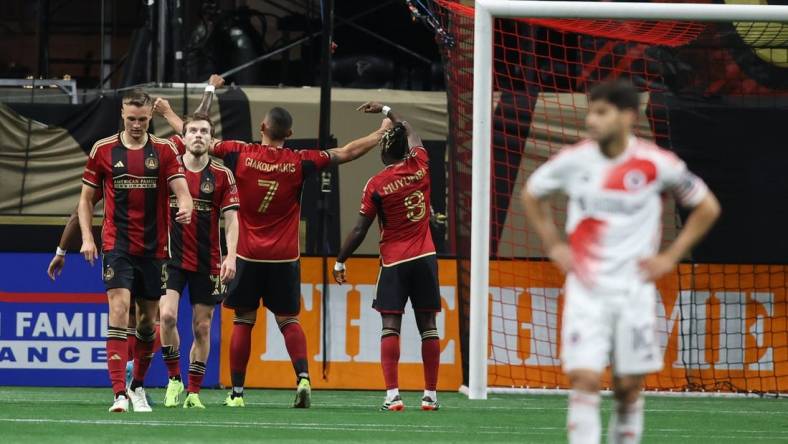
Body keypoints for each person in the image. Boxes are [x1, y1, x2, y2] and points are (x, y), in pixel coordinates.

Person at [521, 80, 720, 444]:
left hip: (634, 292)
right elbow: (533, 195)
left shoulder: (657, 163)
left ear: (628, 116)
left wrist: (672, 257)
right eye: (590, 112)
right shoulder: (573, 160)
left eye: (601, 112)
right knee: (584, 378)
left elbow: (707, 207)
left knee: (628, 387)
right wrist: (554, 245)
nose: (591, 121)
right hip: (586, 290)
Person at [156, 101, 391, 408]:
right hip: (284, 257)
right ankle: (304, 377)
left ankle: (237, 394)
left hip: (248, 255)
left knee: (243, 320)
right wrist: (380, 133)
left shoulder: (241, 153)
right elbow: (345, 152)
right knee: (288, 320)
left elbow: (197, 139)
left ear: (262, 129)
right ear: (289, 133)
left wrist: (168, 114)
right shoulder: (299, 160)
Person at [78, 89, 193, 413]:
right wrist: (88, 238)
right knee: (118, 309)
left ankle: (137, 386)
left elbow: (182, 192)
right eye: (131, 119)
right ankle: (118, 394)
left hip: (155, 249)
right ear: (122, 115)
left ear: (150, 118)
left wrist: (185, 207)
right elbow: (86, 200)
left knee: (146, 324)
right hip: (117, 244)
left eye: (143, 119)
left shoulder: (165, 150)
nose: (137, 125)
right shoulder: (103, 150)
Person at [333, 102, 441, 411]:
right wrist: (386, 110)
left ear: (383, 152)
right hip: (425, 257)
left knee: (390, 326)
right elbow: (410, 130)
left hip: (394, 261)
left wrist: (341, 259)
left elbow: (359, 230)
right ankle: (430, 396)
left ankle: (393, 395)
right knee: (428, 326)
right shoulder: (420, 163)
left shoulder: (377, 184)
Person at [158, 114, 240, 409]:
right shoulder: (168, 170)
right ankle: (173, 379)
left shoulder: (222, 175)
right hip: (170, 258)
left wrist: (231, 255)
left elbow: (231, 219)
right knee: (166, 316)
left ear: (211, 138)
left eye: (204, 131)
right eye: (192, 130)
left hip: (209, 261)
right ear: (184, 136)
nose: (198, 135)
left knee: (202, 328)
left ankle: (193, 392)